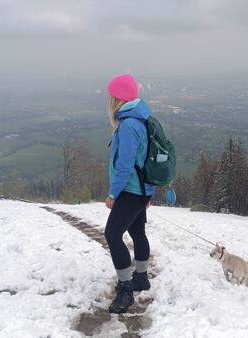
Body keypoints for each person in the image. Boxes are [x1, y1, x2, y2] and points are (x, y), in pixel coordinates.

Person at [104, 73, 155, 314]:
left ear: (117, 99)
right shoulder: (139, 119)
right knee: (137, 231)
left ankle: (126, 290)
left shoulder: (128, 125)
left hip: (130, 191)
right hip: (140, 190)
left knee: (112, 234)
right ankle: (141, 278)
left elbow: (124, 166)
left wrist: (113, 194)